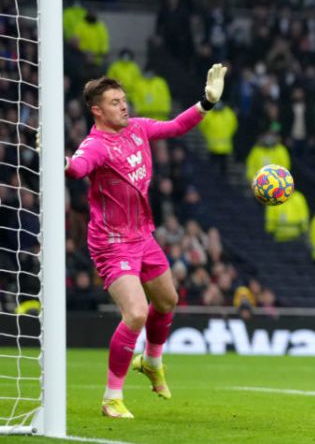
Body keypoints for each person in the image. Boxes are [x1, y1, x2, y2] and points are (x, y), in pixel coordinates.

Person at [64, 64, 227, 418]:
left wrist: (206, 103)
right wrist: (58, 162)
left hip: (142, 235)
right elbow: (77, 169)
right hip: (111, 242)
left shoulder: (137, 128)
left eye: (123, 100)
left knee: (167, 300)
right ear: (97, 111)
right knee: (136, 313)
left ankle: (152, 361)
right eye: (115, 102)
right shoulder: (96, 145)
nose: (124, 106)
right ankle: (112, 397)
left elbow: (176, 126)